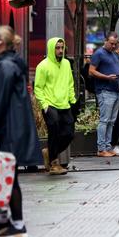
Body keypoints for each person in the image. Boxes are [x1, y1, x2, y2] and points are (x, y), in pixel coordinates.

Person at [0, 26, 42, 237]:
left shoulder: (5, 66)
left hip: (6, 129)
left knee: (8, 176)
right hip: (7, 127)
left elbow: (0, 99)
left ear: (0, 42)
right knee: (2, 174)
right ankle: (6, 219)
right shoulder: (8, 64)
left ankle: (17, 223)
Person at [34, 38, 76, 175]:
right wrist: (44, 105)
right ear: (51, 49)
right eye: (57, 48)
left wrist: (72, 100)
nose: (60, 50)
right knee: (54, 130)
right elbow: (38, 88)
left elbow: (70, 83)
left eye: (62, 48)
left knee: (69, 134)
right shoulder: (43, 66)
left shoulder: (66, 64)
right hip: (50, 104)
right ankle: (53, 163)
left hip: (65, 104)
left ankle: (50, 152)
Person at [89, 32, 119, 157]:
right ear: (105, 41)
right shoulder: (99, 54)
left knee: (111, 121)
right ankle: (101, 148)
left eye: (115, 44)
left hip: (115, 91)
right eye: (111, 43)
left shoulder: (113, 54)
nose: (113, 46)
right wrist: (106, 77)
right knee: (105, 120)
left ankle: (108, 147)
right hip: (105, 91)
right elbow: (91, 71)